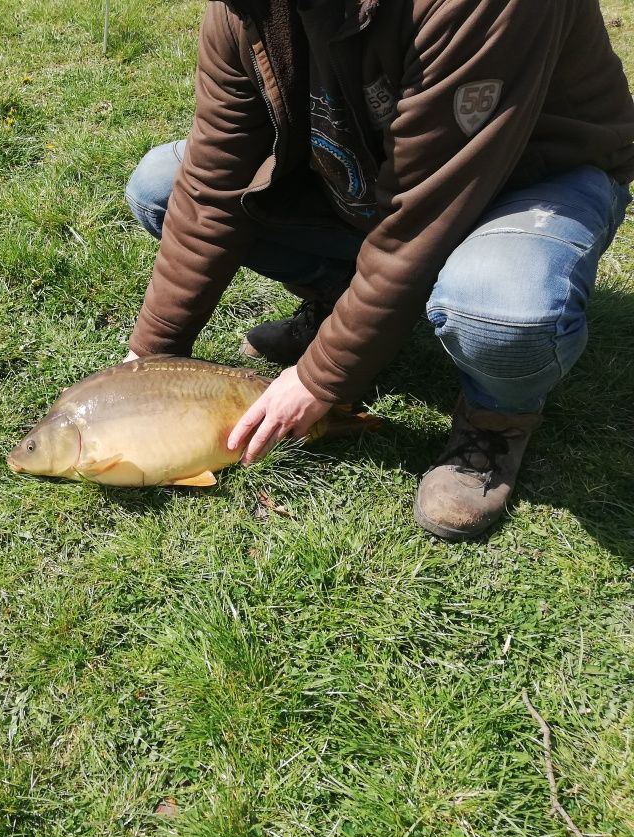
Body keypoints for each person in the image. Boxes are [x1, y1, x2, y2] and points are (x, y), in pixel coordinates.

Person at [122, 0, 634, 540]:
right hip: (376, 172)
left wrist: (321, 376)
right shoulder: (244, 8)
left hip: (530, 179)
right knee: (162, 186)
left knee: (498, 307)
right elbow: (213, 184)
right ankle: (342, 300)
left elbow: (420, 222)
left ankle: (496, 419)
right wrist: (150, 354)